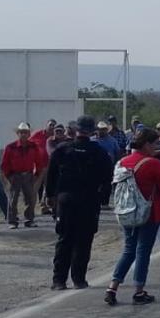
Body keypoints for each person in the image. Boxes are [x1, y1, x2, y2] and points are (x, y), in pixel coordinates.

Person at [104, 128, 160, 305]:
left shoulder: (122, 162)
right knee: (143, 251)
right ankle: (139, 291)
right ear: (147, 144)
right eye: (155, 144)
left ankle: (112, 287)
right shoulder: (152, 163)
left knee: (128, 249)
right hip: (149, 213)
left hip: (127, 212)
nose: (157, 147)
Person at [44, 116, 113, 287]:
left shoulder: (62, 149)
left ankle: (59, 280)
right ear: (92, 132)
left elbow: (51, 175)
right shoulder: (99, 152)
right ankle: (79, 279)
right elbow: (108, 178)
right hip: (89, 201)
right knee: (84, 240)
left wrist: (50, 196)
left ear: (75, 130)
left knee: (64, 239)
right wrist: (102, 198)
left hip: (66, 200)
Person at [1, 122, 45, 228]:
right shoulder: (10, 147)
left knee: (30, 198)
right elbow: (4, 164)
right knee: (13, 199)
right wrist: (9, 176)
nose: (23, 134)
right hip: (14, 175)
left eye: (25, 132)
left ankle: (29, 220)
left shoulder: (34, 146)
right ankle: (12, 221)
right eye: (21, 132)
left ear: (29, 134)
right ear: (18, 133)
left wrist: (36, 175)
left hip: (28, 175)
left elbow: (39, 161)